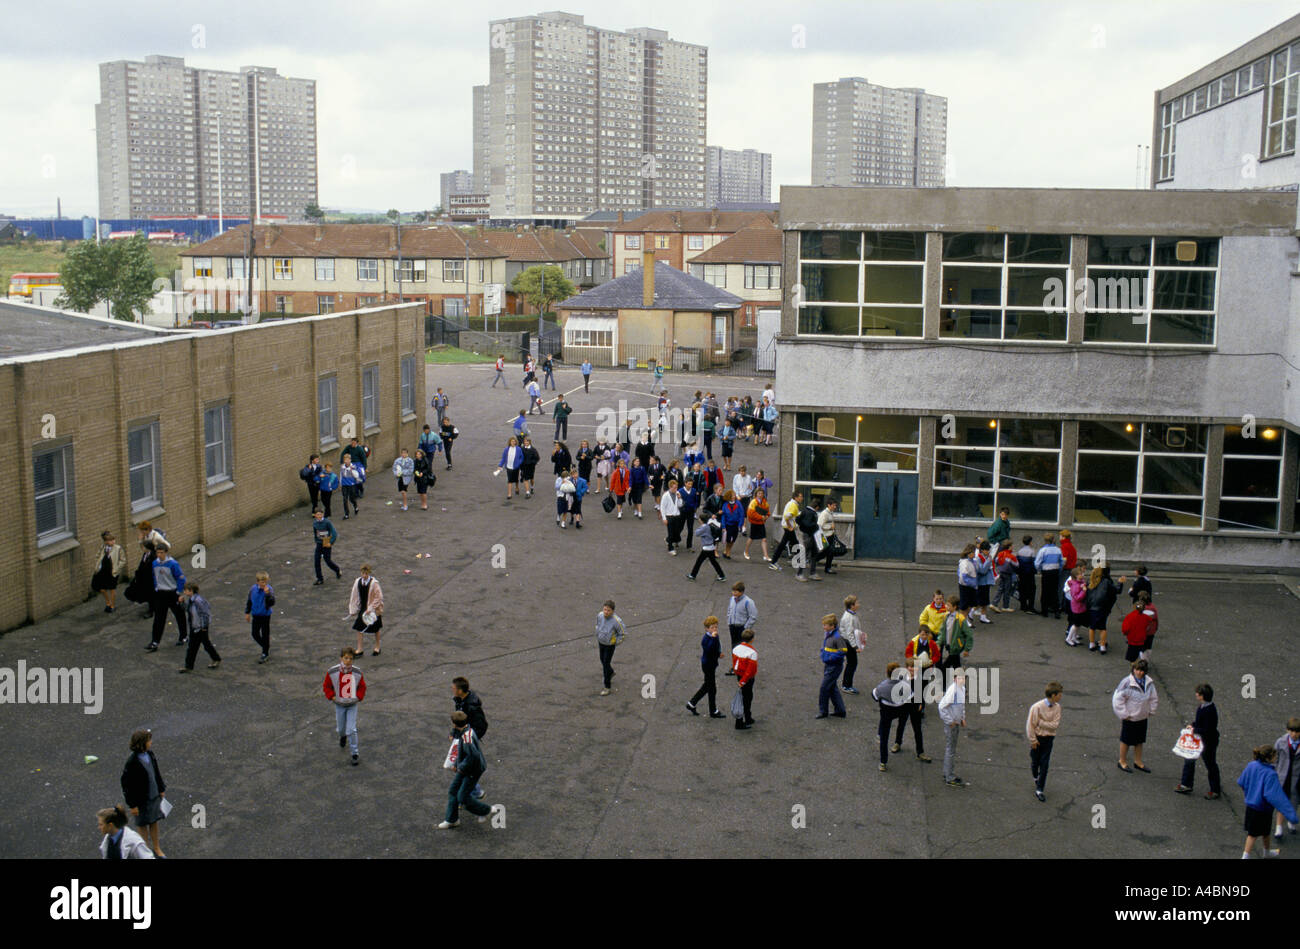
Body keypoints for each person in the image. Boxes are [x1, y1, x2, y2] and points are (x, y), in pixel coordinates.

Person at [437, 711, 500, 829]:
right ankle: (452, 819)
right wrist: (458, 764)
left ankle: (485, 810)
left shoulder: (466, 739)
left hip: (472, 771)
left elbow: (472, 757)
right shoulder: (467, 731)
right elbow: (463, 753)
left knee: (462, 796)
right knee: (453, 790)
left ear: (454, 724)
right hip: (466, 769)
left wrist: (460, 767)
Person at [1239, 745, 1299, 858]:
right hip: (1263, 809)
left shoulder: (1251, 765)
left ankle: (1266, 852)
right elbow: (1276, 796)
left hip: (1251, 807)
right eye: (1275, 756)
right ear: (1268, 758)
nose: (1276, 757)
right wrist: (1291, 815)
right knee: (1255, 834)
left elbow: (1242, 782)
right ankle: (1246, 856)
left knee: (1263, 833)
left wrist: (1249, 794)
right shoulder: (1270, 774)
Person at [120, 729, 167, 857]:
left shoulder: (150, 755)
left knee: (154, 821)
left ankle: (156, 848)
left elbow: (156, 772)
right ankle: (145, 851)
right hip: (141, 801)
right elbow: (127, 785)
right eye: (149, 741)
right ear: (142, 743)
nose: (151, 743)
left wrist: (161, 788)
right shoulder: (132, 762)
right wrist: (132, 805)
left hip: (153, 795)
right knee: (142, 825)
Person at [1175, 683, 1220, 799]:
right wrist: (1193, 725)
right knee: (1189, 759)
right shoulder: (1205, 707)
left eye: (1198, 694)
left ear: (1202, 696)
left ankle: (1215, 789)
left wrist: (1194, 729)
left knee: (1210, 764)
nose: (1196, 695)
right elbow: (1201, 723)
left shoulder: (1209, 710)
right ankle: (1186, 784)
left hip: (1208, 742)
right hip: (1201, 739)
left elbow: (1207, 729)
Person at [323, 646, 366, 765]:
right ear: (341, 658)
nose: (348, 661)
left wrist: (358, 697)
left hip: (352, 705)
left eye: (351, 659)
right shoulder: (332, 672)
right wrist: (332, 696)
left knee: (351, 729)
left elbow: (362, 686)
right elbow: (326, 686)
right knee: (341, 728)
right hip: (339, 704)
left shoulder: (357, 672)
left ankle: (354, 753)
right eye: (346, 658)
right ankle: (343, 736)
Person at [1113, 659, 1158, 773]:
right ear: (1133, 670)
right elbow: (1117, 700)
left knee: (1139, 740)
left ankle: (1138, 762)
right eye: (1137, 670)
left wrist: (1151, 710)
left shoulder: (1149, 682)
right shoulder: (1126, 682)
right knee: (1126, 740)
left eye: (1142, 670)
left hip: (1142, 716)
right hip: (1130, 717)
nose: (1139, 672)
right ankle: (1122, 761)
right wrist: (1124, 714)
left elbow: (1153, 697)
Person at [452, 677, 490, 799]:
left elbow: (481, 725)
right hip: (464, 735)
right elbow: (459, 719)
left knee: (465, 765)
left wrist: (470, 738)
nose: (452, 690)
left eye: (453, 688)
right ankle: (473, 791)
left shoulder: (471, 706)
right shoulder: (460, 700)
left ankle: (475, 792)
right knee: (463, 764)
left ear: (460, 690)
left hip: (468, 737)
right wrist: (455, 732)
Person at [145, 545, 187, 652]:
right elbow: (154, 576)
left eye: (162, 553)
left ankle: (183, 636)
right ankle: (155, 642)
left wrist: (179, 592)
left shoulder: (173, 564)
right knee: (159, 618)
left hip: (172, 593)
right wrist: (156, 587)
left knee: (179, 615)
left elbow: (181, 578)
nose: (159, 555)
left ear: (166, 552)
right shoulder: (155, 563)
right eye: (158, 553)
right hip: (161, 594)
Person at [1027, 682, 1064, 802]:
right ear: (1053, 695)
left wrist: (1040, 722)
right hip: (1037, 738)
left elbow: (1055, 725)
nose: (1060, 697)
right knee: (1035, 762)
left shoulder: (1057, 707)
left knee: (1044, 765)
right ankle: (1035, 777)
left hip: (1049, 739)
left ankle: (1040, 789)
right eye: (1059, 695)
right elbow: (1030, 725)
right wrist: (1033, 740)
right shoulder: (1037, 707)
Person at [686, 616, 727, 719]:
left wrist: (719, 653)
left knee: (708, 686)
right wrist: (713, 638)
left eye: (716, 627)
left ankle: (692, 704)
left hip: (711, 664)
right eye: (712, 628)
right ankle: (712, 710)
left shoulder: (714, 636)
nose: (715, 630)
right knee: (711, 688)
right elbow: (708, 649)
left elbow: (716, 647)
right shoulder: (706, 638)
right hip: (708, 665)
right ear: (707, 628)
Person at [891, 656, 930, 762]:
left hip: (915, 706)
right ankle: (897, 743)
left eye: (913, 667)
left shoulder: (922, 679)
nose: (910, 669)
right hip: (904, 705)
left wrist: (922, 704)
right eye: (908, 666)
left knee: (917, 729)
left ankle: (920, 752)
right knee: (901, 724)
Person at [126, 521, 167, 618]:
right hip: (145, 577)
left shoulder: (153, 554)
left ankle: (153, 610)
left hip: (152, 577)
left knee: (152, 594)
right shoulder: (146, 553)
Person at [178, 581, 220, 672]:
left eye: (185, 590)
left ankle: (189, 666)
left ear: (191, 591)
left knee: (194, 646)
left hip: (200, 627)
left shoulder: (198, 601)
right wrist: (182, 603)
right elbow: (187, 609)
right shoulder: (191, 600)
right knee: (202, 644)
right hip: (196, 627)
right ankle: (215, 658)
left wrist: (203, 626)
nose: (184, 592)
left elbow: (205, 614)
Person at [872, 662, 907, 771]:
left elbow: (875, 696)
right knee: (901, 724)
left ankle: (883, 762)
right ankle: (898, 742)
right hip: (901, 709)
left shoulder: (882, 686)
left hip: (887, 712)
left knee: (884, 737)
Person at [1085, 565, 1126, 653]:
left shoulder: (1090, 581)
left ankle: (1091, 644)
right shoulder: (1106, 582)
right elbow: (1117, 590)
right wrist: (1120, 582)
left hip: (1092, 607)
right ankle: (1102, 646)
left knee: (1092, 627)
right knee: (1102, 628)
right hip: (1102, 608)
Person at [816, 614, 848, 720]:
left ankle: (823, 711)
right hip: (829, 664)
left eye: (825, 625)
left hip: (834, 666)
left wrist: (830, 657)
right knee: (832, 687)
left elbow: (843, 651)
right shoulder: (828, 634)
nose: (823, 627)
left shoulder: (837, 637)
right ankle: (840, 710)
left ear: (832, 626)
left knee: (824, 688)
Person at [1272, 718, 1300, 839]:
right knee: (1281, 801)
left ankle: (1291, 821)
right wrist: (1274, 771)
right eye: (1292, 731)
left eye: (1297, 731)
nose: (1294, 734)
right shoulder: (1281, 742)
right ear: (1287, 730)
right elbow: (1275, 758)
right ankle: (1279, 827)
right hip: (1282, 775)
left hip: (1297, 777)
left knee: (1294, 799)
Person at [938, 671, 967, 789]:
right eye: (960, 678)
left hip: (955, 723)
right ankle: (949, 776)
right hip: (952, 725)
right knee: (951, 749)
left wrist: (962, 718)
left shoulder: (961, 689)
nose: (962, 680)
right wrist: (950, 721)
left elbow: (961, 706)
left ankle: (947, 773)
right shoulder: (953, 691)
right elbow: (941, 707)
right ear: (955, 679)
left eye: (963, 678)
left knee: (951, 748)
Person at [348, 564, 384, 656]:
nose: (364, 575)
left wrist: (371, 608)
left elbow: (379, 597)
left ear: (369, 573)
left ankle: (377, 647)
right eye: (363, 573)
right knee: (359, 627)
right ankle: (360, 649)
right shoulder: (358, 581)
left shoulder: (374, 583)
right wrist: (353, 610)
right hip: (363, 608)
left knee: (376, 628)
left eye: (366, 573)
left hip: (374, 610)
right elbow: (354, 596)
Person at [91, 530, 127, 613]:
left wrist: (116, 569)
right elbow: (97, 556)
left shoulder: (118, 548)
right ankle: (108, 601)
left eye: (113, 540)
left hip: (112, 572)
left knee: (112, 589)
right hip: (103, 571)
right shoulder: (103, 547)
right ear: (106, 541)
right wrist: (98, 565)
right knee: (101, 588)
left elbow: (123, 560)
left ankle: (112, 605)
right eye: (110, 540)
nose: (113, 542)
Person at [595, 600, 625, 696]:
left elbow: (622, 634)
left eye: (608, 610)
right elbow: (598, 624)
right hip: (601, 642)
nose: (606, 612)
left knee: (605, 664)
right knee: (602, 661)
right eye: (604, 609)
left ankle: (607, 687)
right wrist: (598, 633)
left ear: (613, 611)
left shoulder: (617, 621)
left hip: (609, 646)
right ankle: (611, 672)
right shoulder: (600, 615)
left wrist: (615, 642)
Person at [686, 511, 726, 582]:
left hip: (706, 548)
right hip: (711, 547)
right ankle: (721, 575)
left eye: (699, 519)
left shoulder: (704, 527)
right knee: (713, 562)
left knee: (699, 561)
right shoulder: (709, 526)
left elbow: (696, 533)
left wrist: (701, 527)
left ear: (701, 520)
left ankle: (693, 575)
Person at [769, 489, 803, 571]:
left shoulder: (792, 504)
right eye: (801, 496)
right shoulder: (793, 505)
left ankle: (798, 560)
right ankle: (773, 562)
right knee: (786, 544)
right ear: (796, 497)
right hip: (788, 528)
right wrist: (789, 526)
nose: (802, 498)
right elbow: (786, 516)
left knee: (789, 543)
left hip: (788, 528)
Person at [245, 571, 275, 664]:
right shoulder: (253, 589)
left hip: (265, 615)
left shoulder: (269, 589)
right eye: (262, 582)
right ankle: (265, 646)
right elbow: (249, 601)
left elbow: (272, 603)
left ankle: (265, 653)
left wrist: (268, 594)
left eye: (266, 582)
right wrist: (247, 612)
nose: (264, 584)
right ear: (257, 582)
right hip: (256, 615)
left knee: (265, 633)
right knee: (255, 633)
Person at [732, 628, 758, 730]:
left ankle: (746, 718)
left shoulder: (736, 649)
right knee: (747, 698)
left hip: (739, 675)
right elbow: (750, 670)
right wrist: (743, 681)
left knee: (744, 697)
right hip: (747, 678)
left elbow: (735, 664)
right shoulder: (752, 652)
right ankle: (744, 719)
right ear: (752, 639)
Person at [838, 595, 864, 694]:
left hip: (847, 642)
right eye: (857, 603)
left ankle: (846, 684)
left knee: (851, 663)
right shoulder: (849, 618)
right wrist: (855, 646)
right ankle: (846, 685)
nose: (858, 604)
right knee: (852, 663)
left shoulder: (850, 614)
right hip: (848, 643)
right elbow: (849, 634)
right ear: (852, 606)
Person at [939, 594, 973, 670]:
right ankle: (961, 676)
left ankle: (942, 680)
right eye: (946, 604)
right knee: (956, 665)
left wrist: (967, 649)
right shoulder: (946, 616)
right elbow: (943, 631)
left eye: (948, 605)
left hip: (955, 646)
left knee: (944, 667)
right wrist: (939, 643)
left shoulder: (960, 619)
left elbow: (969, 635)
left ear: (954, 607)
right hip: (949, 645)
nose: (946, 606)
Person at [1121, 592, 1157, 662]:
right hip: (1141, 639)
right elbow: (1151, 622)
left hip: (1132, 640)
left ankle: (1135, 666)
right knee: (1142, 651)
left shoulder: (1130, 616)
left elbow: (1125, 629)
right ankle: (1143, 662)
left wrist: (1126, 633)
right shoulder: (1146, 617)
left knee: (1132, 658)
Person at [1035, 533, 1064, 619]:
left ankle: (1045, 611)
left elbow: (1037, 563)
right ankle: (1056, 611)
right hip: (1055, 571)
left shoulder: (1043, 550)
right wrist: (1059, 569)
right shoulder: (1058, 550)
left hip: (1046, 572)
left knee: (1045, 591)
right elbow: (1061, 562)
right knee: (1054, 591)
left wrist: (1039, 570)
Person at [794, 495, 822, 581]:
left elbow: (797, 519)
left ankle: (812, 573)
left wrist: (801, 526)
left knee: (813, 552)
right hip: (809, 535)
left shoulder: (805, 510)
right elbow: (808, 524)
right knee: (806, 553)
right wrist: (816, 526)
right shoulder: (812, 514)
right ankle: (800, 574)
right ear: (816, 507)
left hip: (807, 534)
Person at [312, 508, 342, 586]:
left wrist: (330, 542)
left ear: (322, 514)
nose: (319, 516)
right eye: (317, 514)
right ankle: (320, 579)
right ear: (315, 515)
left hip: (326, 544)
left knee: (327, 561)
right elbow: (315, 532)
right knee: (316, 561)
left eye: (320, 514)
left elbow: (334, 533)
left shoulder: (327, 522)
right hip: (319, 544)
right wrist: (316, 540)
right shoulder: (314, 523)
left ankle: (337, 569)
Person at [1064, 565, 1089, 647]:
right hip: (1077, 608)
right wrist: (1083, 591)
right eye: (1080, 574)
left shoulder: (1080, 583)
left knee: (1078, 624)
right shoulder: (1075, 586)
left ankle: (1074, 637)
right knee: (1075, 624)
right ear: (1076, 576)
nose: (1082, 575)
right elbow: (1077, 598)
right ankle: (1069, 638)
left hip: (1080, 607)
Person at [743, 489, 771, 561]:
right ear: (756, 494)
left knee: (764, 539)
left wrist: (767, 516)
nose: (760, 495)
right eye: (759, 493)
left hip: (761, 523)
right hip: (754, 523)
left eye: (762, 493)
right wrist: (761, 517)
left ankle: (766, 555)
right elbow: (750, 514)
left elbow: (767, 512)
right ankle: (746, 552)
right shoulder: (753, 502)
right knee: (751, 538)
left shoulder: (765, 502)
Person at [992, 539, 1017, 613]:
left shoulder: (1000, 554)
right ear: (1009, 547)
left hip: (1001, 572)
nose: (1013, 547)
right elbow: (1016, 565)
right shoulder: (1011, 556)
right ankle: (1005, 606)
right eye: (1012, 546)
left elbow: (996, 561)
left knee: (1000, 588)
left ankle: (994, 603)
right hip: (1008, 574)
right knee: (1007, 590)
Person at [972, 540, 995, 624]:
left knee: (985, 601)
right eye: (986, 550)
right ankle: (970, 613)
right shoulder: (978, 558)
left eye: (989, 550)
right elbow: (982, 570)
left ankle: (983, 616)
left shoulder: (985, 557)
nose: (988, 551)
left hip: (986, 582)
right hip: (981, 582)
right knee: (979, 601)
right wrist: (988, 561)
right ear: (982, 550)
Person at [496, 436, 524, 500]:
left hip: (516, 467)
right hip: (508, 467)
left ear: (516, 442)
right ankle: (509, 494)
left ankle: (517, 487)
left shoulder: (518, 449)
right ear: (510, 442)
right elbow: (503, 458)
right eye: (512, 441)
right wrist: (500, 465)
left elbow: (521, 457)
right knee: (510, 480)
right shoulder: (506, 449)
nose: (513, 442)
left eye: (514, 441)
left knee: (516, 478)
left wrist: (519, 463)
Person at [817, 497, 840, 574]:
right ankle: (813, 560)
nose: (835, 507)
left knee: (830, 553)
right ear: (829, 505)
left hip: (830, 536)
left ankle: (827, 568)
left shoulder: (830, 513)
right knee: (826, 553)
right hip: (825, 537)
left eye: (835, 505)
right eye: (833, 505)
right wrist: (830, 527)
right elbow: (819, 525)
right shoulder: (824, 514)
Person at [1015, 535, 1038, 613]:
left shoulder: (1020, 551)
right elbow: (1034, 562)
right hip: (1030, 573)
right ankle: (1030, 606)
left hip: (1021, 572)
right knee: (1031, 589)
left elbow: (1017, 562)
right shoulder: (1032, 551)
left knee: (1022, 588)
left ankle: (1023, 605)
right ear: (1030, 542)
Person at [660, 478, 683, 555]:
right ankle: (670, 548)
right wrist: (664, 518)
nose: (675, 489)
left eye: (676, 487)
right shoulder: (665, 496)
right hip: (669, 516)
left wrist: (680, 498)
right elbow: (662, 507)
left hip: (677, 515)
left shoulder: (677, 494)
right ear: (670, 487)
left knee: (677, 531)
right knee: (671, 533)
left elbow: (680, 505)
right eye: (674, 488)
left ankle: (668, 540)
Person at [720, 490, 745, 558]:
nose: (734, 496)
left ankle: (727, 550)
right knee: (728, 539)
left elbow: (741, 514)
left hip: (736, 524)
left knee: (733, 539)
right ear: (729, 497)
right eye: (732, 495)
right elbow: (723, 516)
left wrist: (740, 525)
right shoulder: (725, 505)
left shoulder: (738, 503)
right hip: (728, 524)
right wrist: (723, 526)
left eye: (734, 495)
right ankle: (727, 552)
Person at [339, 455, 362, 519]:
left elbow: (356, 476)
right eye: (345, 460)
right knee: (345, 499)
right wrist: (340, 484)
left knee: (352, 499)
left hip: (351, 485)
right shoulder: (342, 467)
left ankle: (355, 506)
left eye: (347, 460)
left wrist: (351, 470)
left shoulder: (353, 467)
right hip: (344, 485)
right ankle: (346, 514)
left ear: (350, 460)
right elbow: (341, 475)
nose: (346, 461)